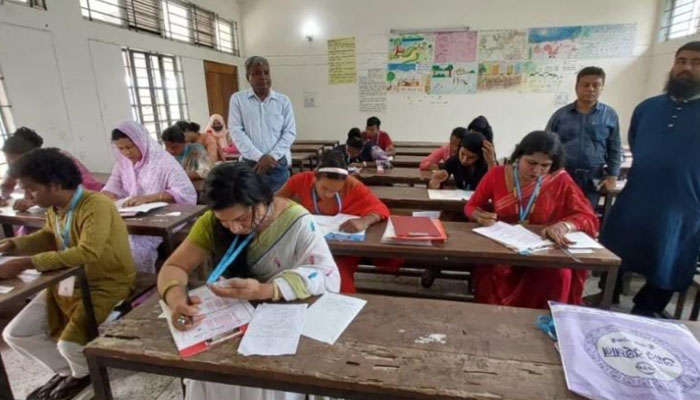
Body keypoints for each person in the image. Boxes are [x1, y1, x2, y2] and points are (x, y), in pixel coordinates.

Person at [157, 163, 339, 399]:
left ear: (262, 200)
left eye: (241, 218)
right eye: (224, 222)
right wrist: (177, 301)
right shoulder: (211, 222)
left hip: (282, 328)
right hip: (231, 325)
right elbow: (174, 267)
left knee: (268, 385)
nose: (234, 228)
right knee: (209, 375)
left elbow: (327, 275)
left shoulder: (297, 221)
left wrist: (267, 290)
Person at [0, 148, 135, 400]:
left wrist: (26, 262)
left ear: (54, 184)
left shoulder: (96, 205)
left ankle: (82, 373)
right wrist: (12, 245)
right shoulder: (55, 208)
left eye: (31, 189)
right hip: (69, 280)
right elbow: (49, 236)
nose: (27, 196)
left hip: (105, 283)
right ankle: (74, 372)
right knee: (15, 334)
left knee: (68, 343)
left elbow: (88, 252)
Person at [595, 41, 700, 317]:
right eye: (682, 61)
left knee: (669, 255)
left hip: (685, 200)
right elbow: (636, 141)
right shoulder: (647, 108)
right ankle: (607, 294)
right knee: (617, 243)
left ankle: (647, 308)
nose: (686, 68)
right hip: (638, 194)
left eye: (696, 63)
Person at [465, 131, 599, 309]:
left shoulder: (559, 179)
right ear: (519, 156)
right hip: (503, 248)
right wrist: (478, 216)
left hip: (543, 251)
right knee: (493, 272)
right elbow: (471, 206)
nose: (537, 170)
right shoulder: (497, 174)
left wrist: (564, 226)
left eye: (545, 165)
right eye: (531, 162)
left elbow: (587, 216)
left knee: (560, 274)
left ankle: (548, 321)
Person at [277, 151, 398, 292]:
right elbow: (275, 203)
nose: (329, 195)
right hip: (310, 244)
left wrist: (364, 221)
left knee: (338, 279)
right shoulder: (300, 180)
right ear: (315, 177)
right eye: (325, 189)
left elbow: (380, 208)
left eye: (335, 191)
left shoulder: (351, 185)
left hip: (343, 248)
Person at [102, 121, 196, 272]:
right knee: (104, 240)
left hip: (164, 216)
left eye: (130, 147)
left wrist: (147, 198)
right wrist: (108, 200)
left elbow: (185, 192)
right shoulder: (123, 163)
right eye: (121, 149)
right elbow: (111, 187)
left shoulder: (163, 161)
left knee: (135, 246)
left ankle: (141, 282)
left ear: (141, 141)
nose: (126, 153)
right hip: (133, 215)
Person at [546, 66, 622, 207]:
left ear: (602, 88)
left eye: (596, 85)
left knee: (586, 214)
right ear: (576, 87)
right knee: (559, 213)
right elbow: (547, 146)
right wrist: (548, 172)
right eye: (585, 85)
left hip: (593, 178)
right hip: (563, 174)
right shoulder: (560, 115)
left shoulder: (610, 115)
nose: (590, 89)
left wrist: (612, 176)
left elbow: (615, 147)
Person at [229, 56, 296, 192]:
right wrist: (259, 157)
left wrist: (271, 157)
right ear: (248, 77)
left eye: (266, 72)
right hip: (251, 164)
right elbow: (236, 130)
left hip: (277, 164)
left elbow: (289, 132)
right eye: (257, 73)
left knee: (278, 202)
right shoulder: (238, 99)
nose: (263, 77)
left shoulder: (283, 101)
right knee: (251, 201)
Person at [0, 127, 103, 211]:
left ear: (31, 155)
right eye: (8, 161)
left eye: (13, 161)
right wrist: (4, 196)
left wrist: (32, 202)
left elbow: (69, 192)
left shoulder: (55, 160)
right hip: (57, 207)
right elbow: (6, 185)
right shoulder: (22, 168)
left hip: (86, 200)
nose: (11, 165)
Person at [429, 131, 497, 190]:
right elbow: (434, 188)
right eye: (462, 153)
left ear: (480, 157)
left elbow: (496, 187)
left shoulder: (488, 164)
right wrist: (434, 182)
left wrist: (491, 162)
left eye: (471, 157)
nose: (464, 160)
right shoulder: (454, 161)